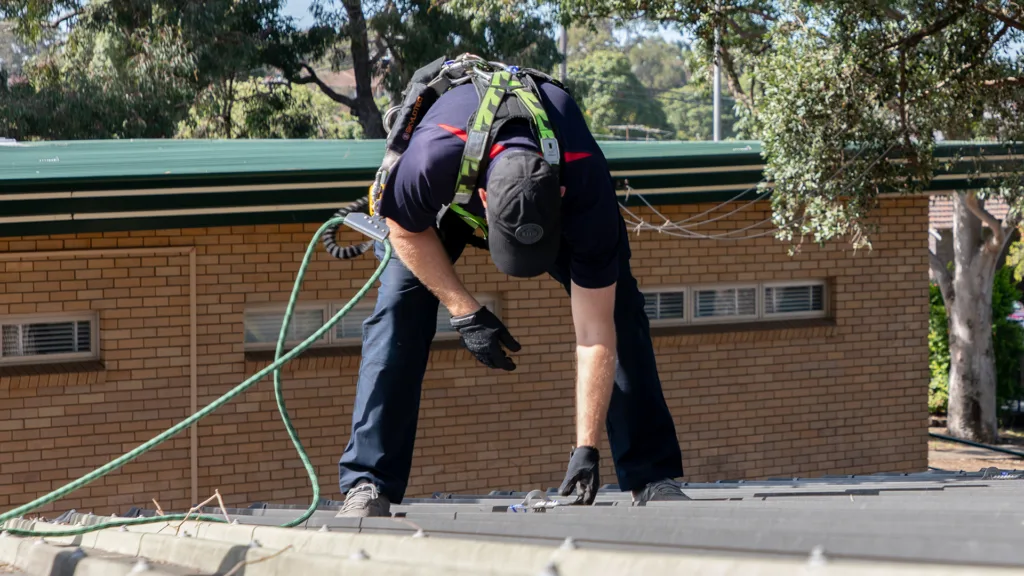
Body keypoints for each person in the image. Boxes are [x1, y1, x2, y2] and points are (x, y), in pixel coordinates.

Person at [335, 66, 688, 518]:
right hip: (446, 209)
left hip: (549, 201)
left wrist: (587, 449)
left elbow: (595, 331)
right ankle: (368, 483)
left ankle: (651, 475)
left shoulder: (586, 184)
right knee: (397, 312)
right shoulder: (432, 157)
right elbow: (402, 228)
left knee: (622, 314)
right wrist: (463, 310)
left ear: (561, 192)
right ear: (483, 198)